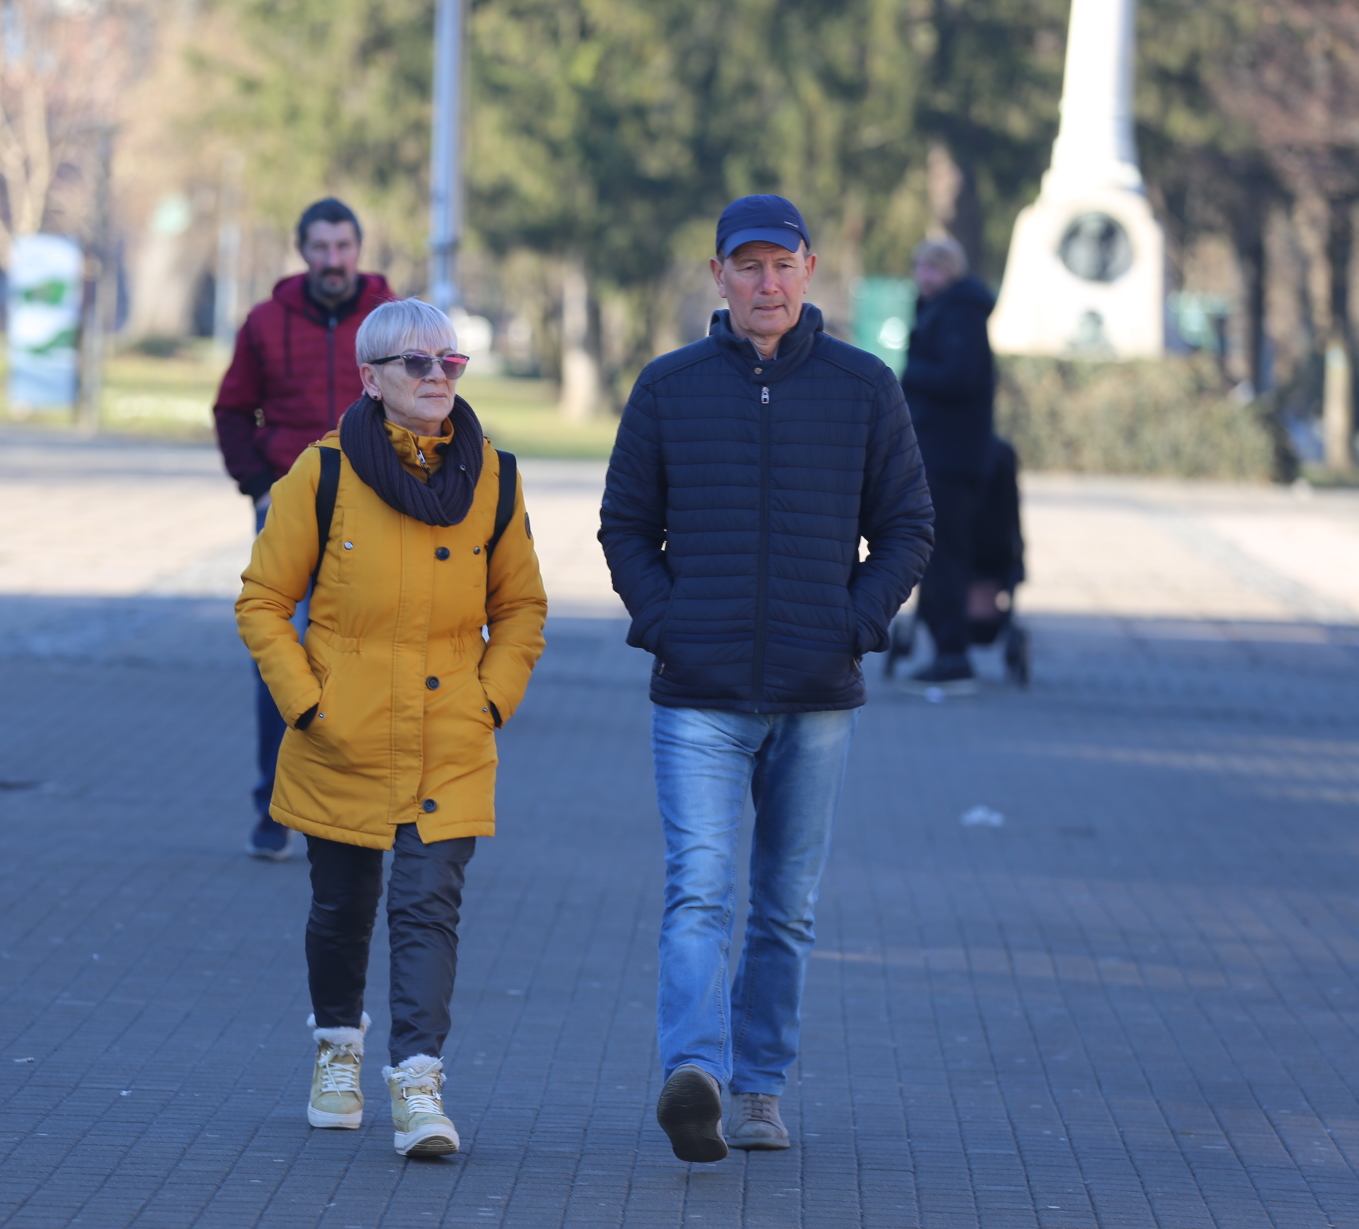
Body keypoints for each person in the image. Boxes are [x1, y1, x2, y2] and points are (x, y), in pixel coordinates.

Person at [598, 194, 932, 1162]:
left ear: (809, 269)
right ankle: (691, 1072)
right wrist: (667, 622)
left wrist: (854, 622)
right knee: (699, 890)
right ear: (718, 277)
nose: (766, 282)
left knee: (786, 906)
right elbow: (626, 525)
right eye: (747, 266)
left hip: (816, 693)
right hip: (697, 694)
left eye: (781, 264)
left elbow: (908, 524)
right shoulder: (668, 388)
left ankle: (759, 1088)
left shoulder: (864, 387)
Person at [237, 298, 547, 1158]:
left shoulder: (495, 476)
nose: (439, 377)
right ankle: (337, 1050)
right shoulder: (322, 473)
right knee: (342, 904)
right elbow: (263, 600)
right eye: (418, 364)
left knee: (427, 906)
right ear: (370, 379)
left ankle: (418, 1080)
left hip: (450, 730)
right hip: (344, 730)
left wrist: (490, 700)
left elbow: (521, 607)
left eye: (451, 362)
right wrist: (309, 704)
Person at [214, 199, 395, 862]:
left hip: (375, 510)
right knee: (280, 657)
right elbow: (233, 408)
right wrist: (258, 482)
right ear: (303, 251)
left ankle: (362, 801)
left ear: (358, 247)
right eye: (320, 247)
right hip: (288, 509)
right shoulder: (265, 323)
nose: (333, 260)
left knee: (370, 657)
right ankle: (273, 804)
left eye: (343, 245)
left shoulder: (390, 319)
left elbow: (429, 403)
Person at [899, 236, 998, 691]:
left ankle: (952, 652)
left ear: (950, 271)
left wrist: (908, 374)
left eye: (932, 268)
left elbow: (960, 377)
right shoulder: (946, 309)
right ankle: (943, 648)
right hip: (943, 450)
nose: (924, 276)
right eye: (920, 267)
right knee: (936, 553)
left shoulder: (959, 313)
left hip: (951, 454)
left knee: (945, 555)